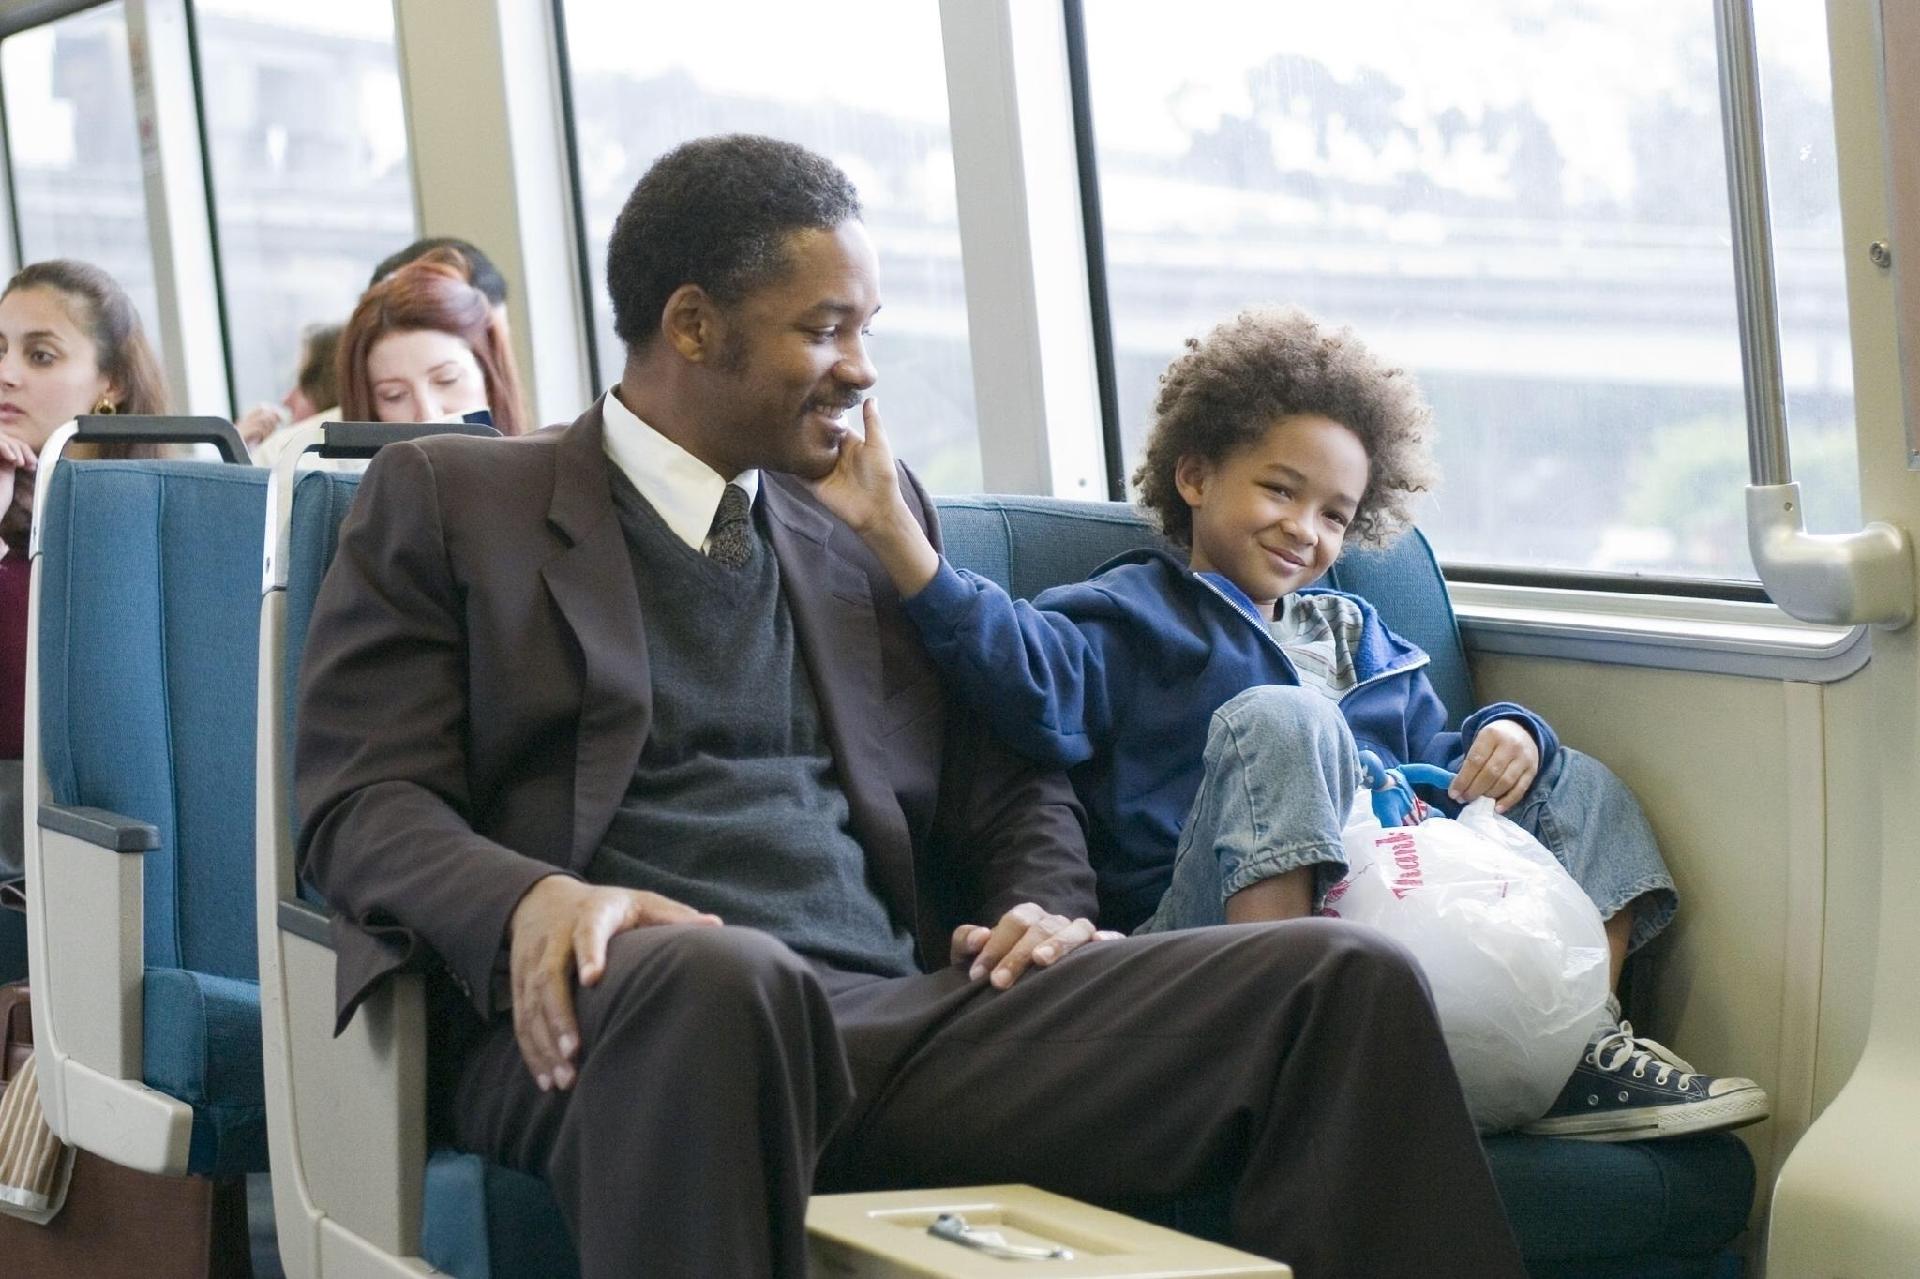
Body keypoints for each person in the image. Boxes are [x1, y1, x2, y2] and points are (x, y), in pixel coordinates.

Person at [295, 135, 1526, 1278]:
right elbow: (357, 803)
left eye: (866, 327)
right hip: (619, 1023)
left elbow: (1014, 784)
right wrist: (532, 896)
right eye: (826, 328)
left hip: (893, 1018)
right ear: (693, 324)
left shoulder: (869, 525)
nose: (862, 367)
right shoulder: (453, 499)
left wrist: (1043, 907)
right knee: (729, 980)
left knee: (1338, 982)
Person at [821, 304, 1770, 1143]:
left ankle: (1570, 1051)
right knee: (1287, 717)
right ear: (1195, 475)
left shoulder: (1365, 637)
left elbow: (1435, 769)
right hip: (1199, 938)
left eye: (1334, 515)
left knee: (1578, 775)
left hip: (1399, 908)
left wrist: (1515, 738)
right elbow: (1027, 672)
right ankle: (1270, 1040)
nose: (1305, 531)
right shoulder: (1135, 613)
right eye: (1279, 490)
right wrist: (906, 549)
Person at [0, 259, 170, 763]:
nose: (6, 374)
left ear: (110, 383)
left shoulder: (158, 521)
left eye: (41, 355)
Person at [333, 248, 528, 435]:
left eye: (447, 380)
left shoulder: (550, 464)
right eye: (394, 396)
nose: (427, 416)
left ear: (488, 374)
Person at [236, 322, 343, 455]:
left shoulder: (277, 455)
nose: (286, 400)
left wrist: (235, 445)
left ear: (330, 391)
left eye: (301, 385)